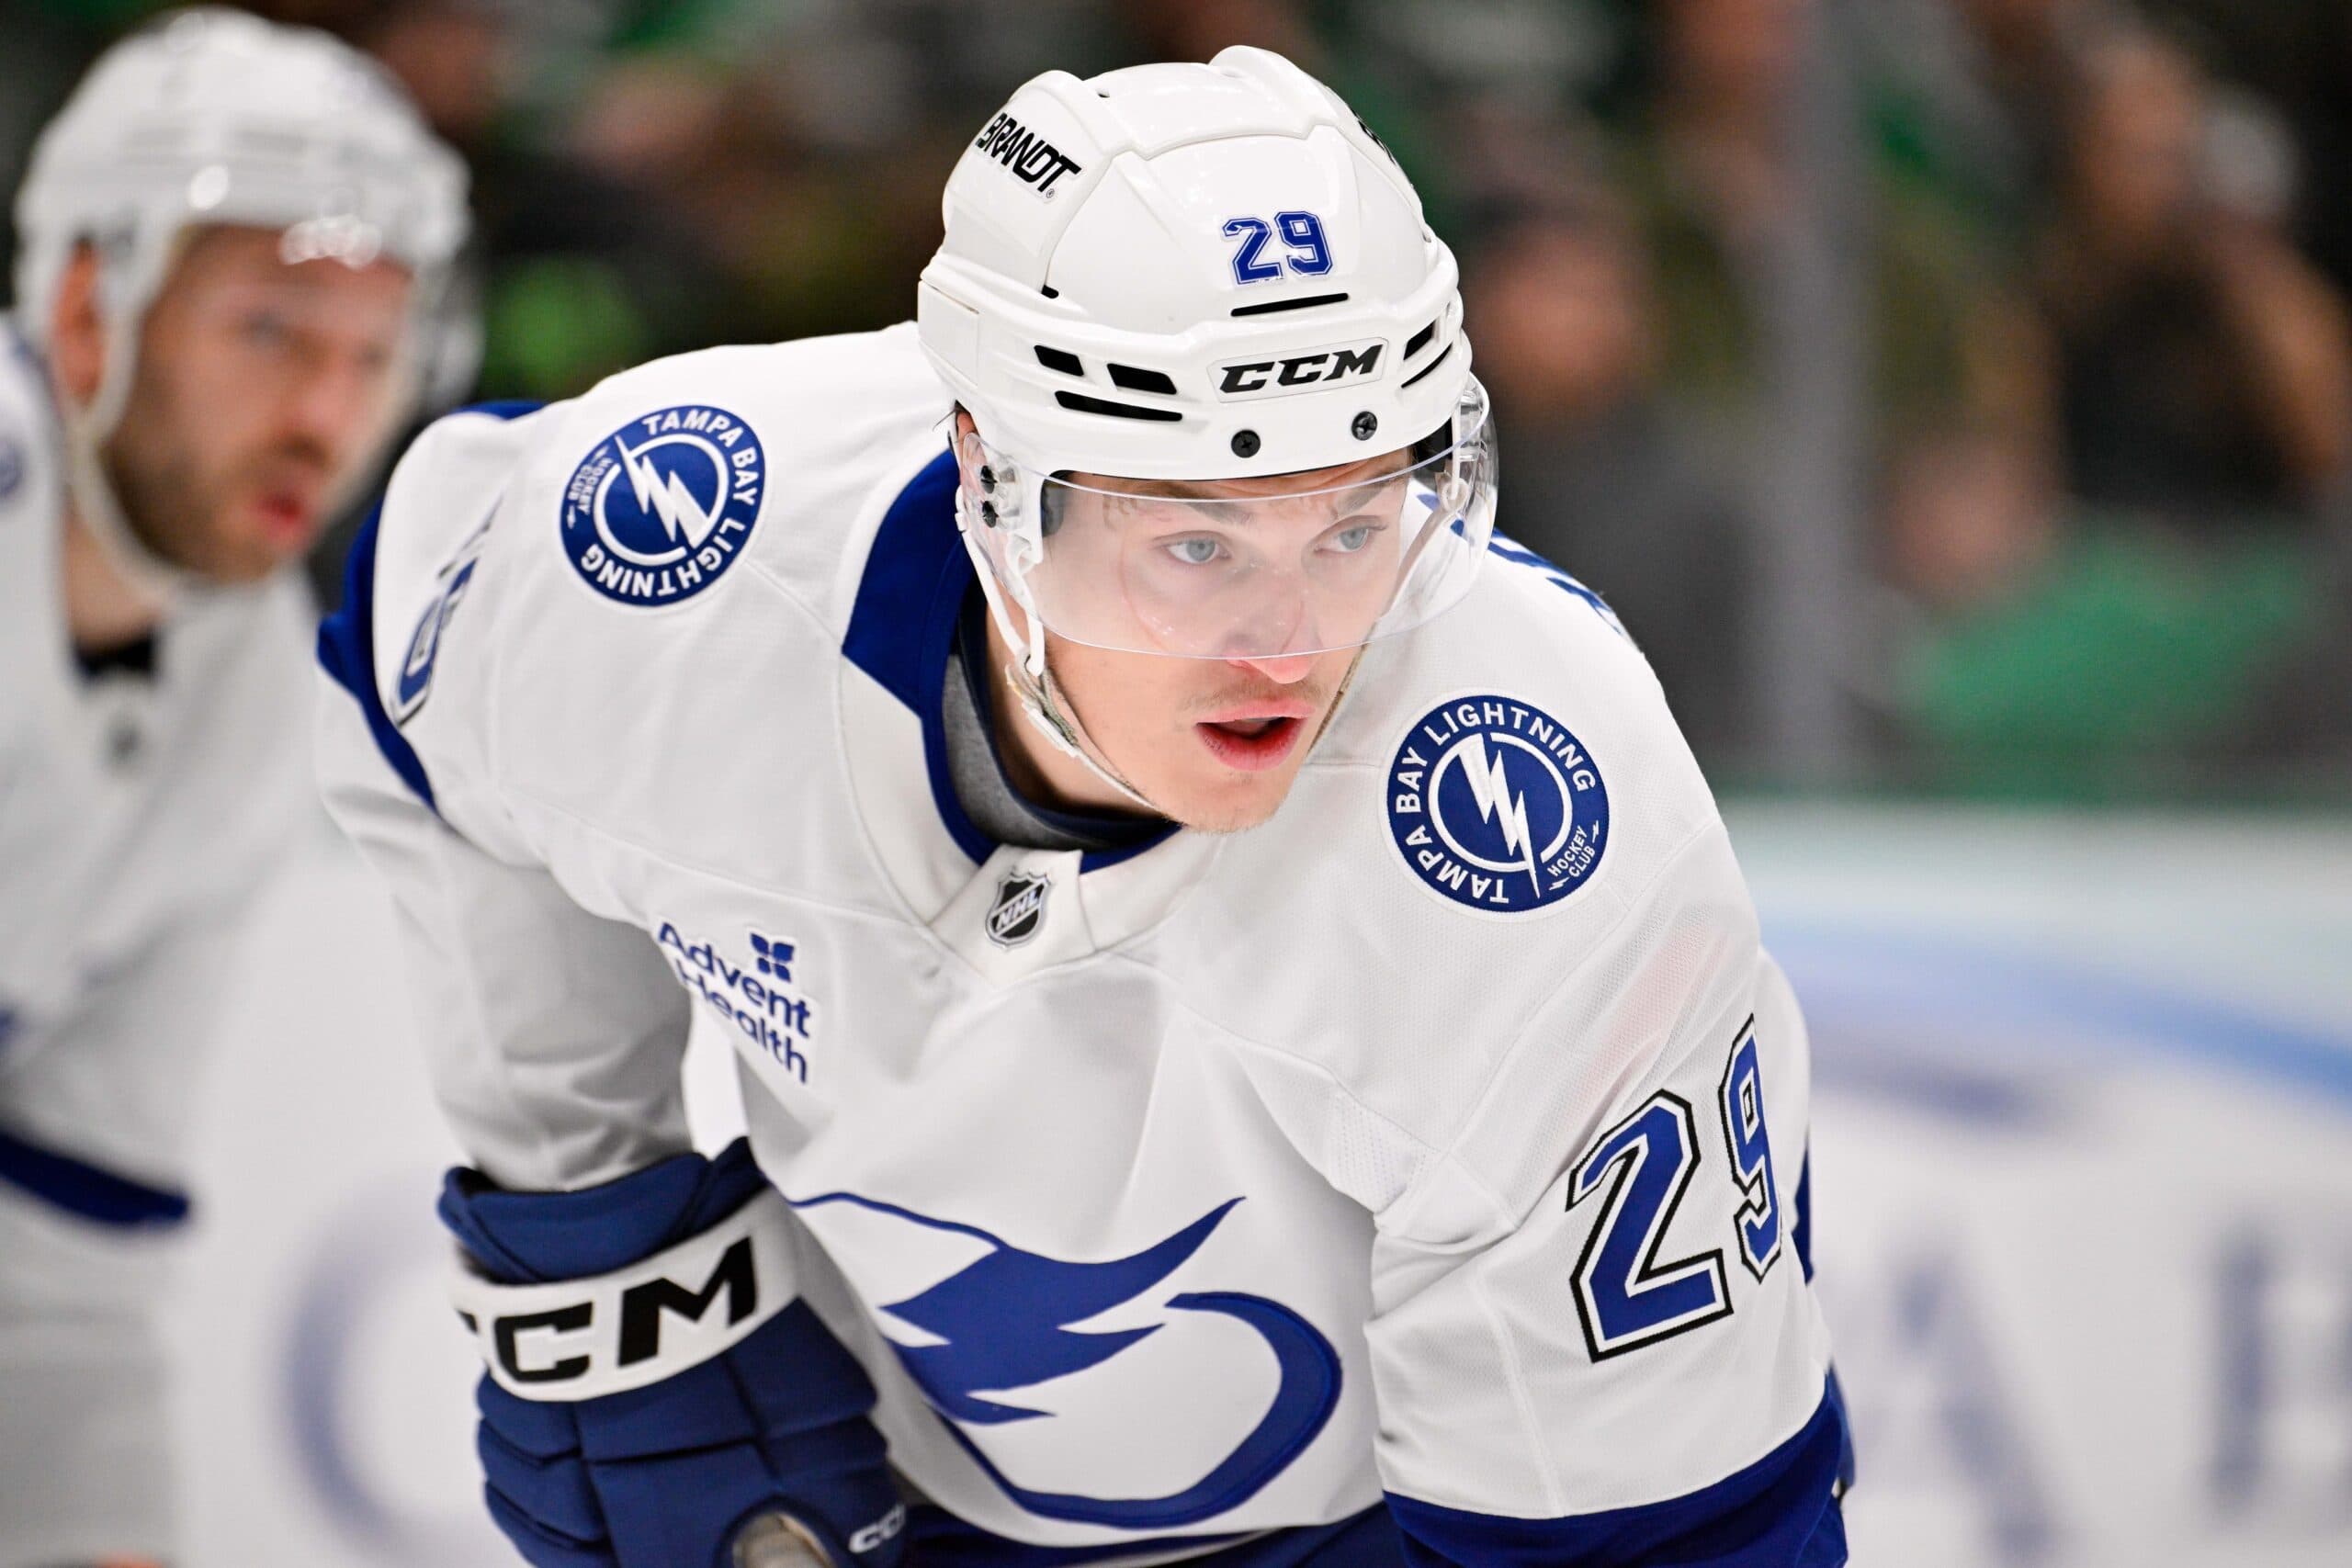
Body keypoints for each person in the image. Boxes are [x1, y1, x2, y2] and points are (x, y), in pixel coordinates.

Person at [320, 47, 1848, 1568]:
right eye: (1195, 546)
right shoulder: (682, 547)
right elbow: (417, 678)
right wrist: (608, 1226)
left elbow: (1661, 1528)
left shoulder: (1522, 812)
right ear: (990, 480)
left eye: (1357, 521)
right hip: (902, 1489)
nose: (1291, 644)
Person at [0, 11, 469, 1565]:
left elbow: (67, 1244)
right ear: (88, 313)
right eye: (271, 330)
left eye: (367, 354)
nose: (327, 417)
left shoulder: (257, 689)